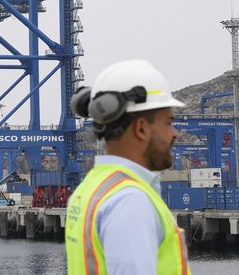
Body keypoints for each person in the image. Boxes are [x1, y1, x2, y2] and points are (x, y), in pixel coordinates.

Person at [64, 60, 190, 275]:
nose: (175, 133)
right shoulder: (130, 200)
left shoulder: (92, 188)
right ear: (141, 128)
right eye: (168, 122)